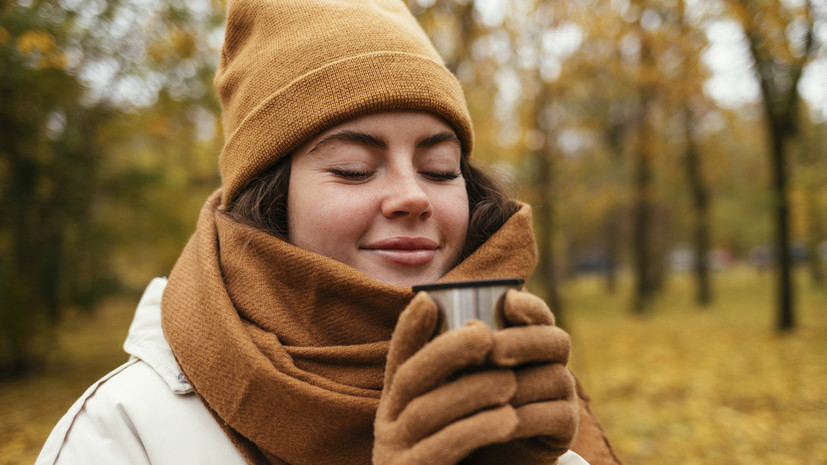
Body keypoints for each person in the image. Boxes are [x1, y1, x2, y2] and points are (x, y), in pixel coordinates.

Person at [35, 0, 622, 464]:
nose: (414, 195)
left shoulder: (524, 394)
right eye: (353, 169)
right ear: (268, 202)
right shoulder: (122, 433)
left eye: (439, 169)